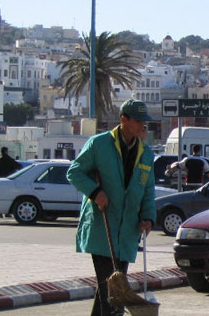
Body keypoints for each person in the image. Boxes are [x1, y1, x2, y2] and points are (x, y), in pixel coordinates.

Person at [67, 99, 156, 316]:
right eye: (138, 121)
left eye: (145, 122)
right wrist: (96, 193)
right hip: (102, 228)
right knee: (113, 293)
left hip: (127, 233)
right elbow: (75, 172)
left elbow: (148, 190)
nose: (142, 126)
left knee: (112, 290)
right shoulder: (99, 144)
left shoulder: (146, 153)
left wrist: (148, 218)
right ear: (123, 120)